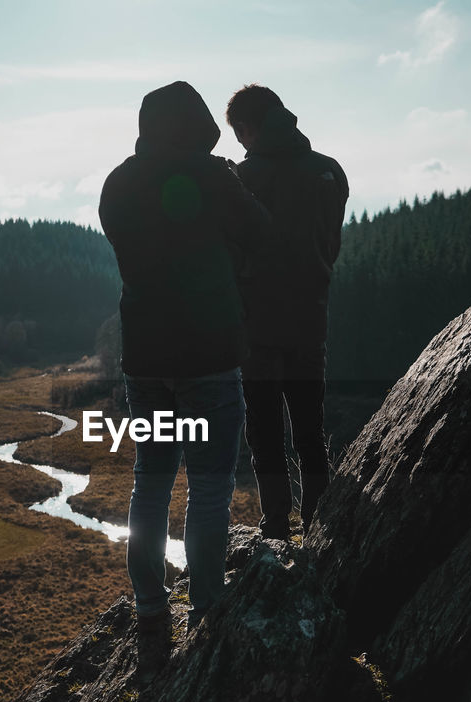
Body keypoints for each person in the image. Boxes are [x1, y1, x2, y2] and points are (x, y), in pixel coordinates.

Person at [98, 81, 274, 647]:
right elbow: (262, 236)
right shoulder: (214, 176)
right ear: (197, 123)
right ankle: (206, 613)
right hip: (210, 356)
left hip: (145, 361)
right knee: (209, 489)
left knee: (149, 484)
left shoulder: (117, 183)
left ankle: (150, 611)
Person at [224, 84, 349, 541]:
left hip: (257, 325)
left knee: (265, 431)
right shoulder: (330, 172)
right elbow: (329, 245)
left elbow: (232, 249)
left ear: (249, 128)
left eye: (238, 133)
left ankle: (276, 525)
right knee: (310, 428)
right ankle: (319, 524)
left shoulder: (243, 177)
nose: (239, 143)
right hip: (310, 316)